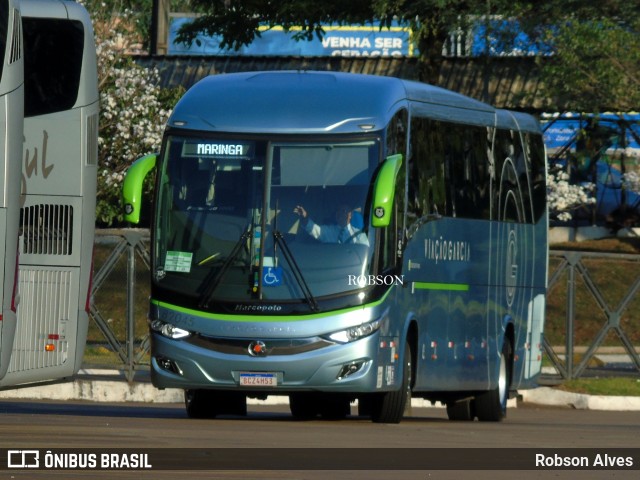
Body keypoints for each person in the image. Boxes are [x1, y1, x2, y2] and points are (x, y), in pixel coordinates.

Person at [293, 204, 368, 246]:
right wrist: (305, 217)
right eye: (338, 211)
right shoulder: (328, 231)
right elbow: (314, 230)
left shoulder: (359, 234)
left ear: (350, 215)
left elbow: (365, 252)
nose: (340, 214)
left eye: (344, 211)